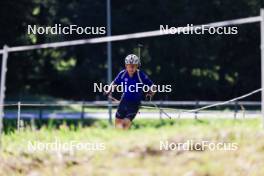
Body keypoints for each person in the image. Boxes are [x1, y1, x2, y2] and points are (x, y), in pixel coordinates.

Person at [106, 54, 155, 129]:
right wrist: (109, 89)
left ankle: (125, 137)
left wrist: (150, 94)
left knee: (125, 124)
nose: (131, 68)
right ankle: (119, 139)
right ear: (126, 65)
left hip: (134, 103)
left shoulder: (140, 75)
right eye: (129, 65)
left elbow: (153, 86)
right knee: (117, 124)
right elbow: (114, 83)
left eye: (134, 66)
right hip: (123, 101)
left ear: (137, 66)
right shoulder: (122, 74)